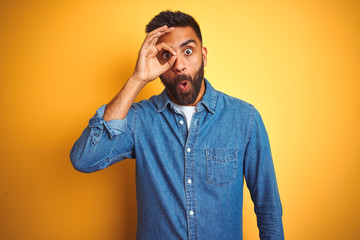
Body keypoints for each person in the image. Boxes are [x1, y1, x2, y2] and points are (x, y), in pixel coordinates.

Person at [70, 10, 284, 240]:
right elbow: (84, 160)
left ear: (203, 56)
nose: (179, 65)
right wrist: (137, 79)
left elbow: (268, 209)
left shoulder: (245, 119)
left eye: (188, 51)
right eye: (167, 56)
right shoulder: (139, 120)